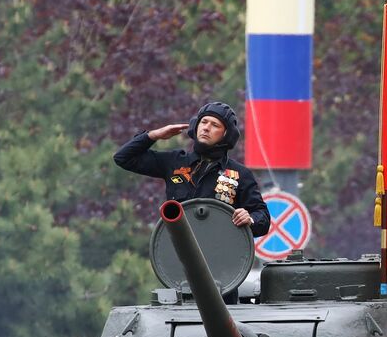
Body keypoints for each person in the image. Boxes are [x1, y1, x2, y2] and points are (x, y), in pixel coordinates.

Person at [113, 101, 270, 237]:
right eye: (204, 122)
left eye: (215, 125)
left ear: (226, 135)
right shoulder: (175, 162)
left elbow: (262, 217)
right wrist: (153, 135)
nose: (206, 128)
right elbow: (123, 158)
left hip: (219, 255)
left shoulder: (239, 174)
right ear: (196, 126)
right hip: (179, 252)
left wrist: (249, 219)